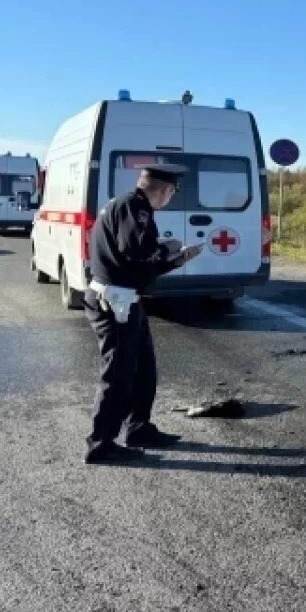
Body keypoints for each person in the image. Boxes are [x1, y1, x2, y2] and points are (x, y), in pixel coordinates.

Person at [83, 163, 203, 464]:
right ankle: (100, 444)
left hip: (126, 299)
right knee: (118, 376)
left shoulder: (125, 205)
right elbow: (136, 255)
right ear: (165, 190)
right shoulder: (135, 209)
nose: (171, 197)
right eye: (172, 192)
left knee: (144, 370)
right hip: (115, 302)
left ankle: (138, 428)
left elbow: (137, 262)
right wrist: (168, 251)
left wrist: (174, 259)